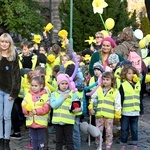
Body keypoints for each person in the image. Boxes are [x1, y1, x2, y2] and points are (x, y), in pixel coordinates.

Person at [88, 72, 121, 150]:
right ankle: (98, 146)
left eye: (107, 79)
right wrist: (91, 108)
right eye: (104, 79)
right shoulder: (98, 89)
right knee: (98, 132)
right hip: (99, 115)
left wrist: (117, 115)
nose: (105, 81)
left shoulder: (115, 91)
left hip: (109, 116)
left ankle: (108, 146)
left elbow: (117, 104)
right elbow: (92, 99)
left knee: (109, 132)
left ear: (112, 81)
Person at [0, 33, 21, 145]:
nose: (4, 44)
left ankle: (6, 138)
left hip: (9, 90)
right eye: (2, 41)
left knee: (7, 116)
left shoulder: (13, 56)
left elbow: (17, 76)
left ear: (10, 43)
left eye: (6, 42)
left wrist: (14, 92)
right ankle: (0, 137)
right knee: (0, 115)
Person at [50, 73, 79, 150]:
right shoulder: (54, 94)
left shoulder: (73, 94)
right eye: (62, 83)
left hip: (68, 121)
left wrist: (78, 109)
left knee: (69, 141)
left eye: (66, 83)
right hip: (57, 122)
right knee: (58, 141)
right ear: (58, 84)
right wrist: (62, 98)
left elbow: (77, 105)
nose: (64, 85)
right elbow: (53, 105)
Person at [22, 75, 50, 150]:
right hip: (31, 123)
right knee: (33, 141)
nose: (33, 87)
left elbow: (46, 108)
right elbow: (23, 105)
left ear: (41, 86)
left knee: (41, 141)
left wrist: (36, 111)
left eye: (35, 85)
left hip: (41, 123)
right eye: (32, 85)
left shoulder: (45, 96)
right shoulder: (28, 95)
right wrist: (27, 111)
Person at [119, 65, 142, 150]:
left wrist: (141, 110)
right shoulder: (123, 85)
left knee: (134, 128)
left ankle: (135, 144)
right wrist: (119, 109)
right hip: (125, 111)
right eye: (129, 73)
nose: (131, 75)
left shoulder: (138, 84)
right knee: (124, 128)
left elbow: (139, 97)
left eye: (133, 73)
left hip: (135, 110)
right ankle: (123, 144)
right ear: (125, 74)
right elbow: (120, 98)